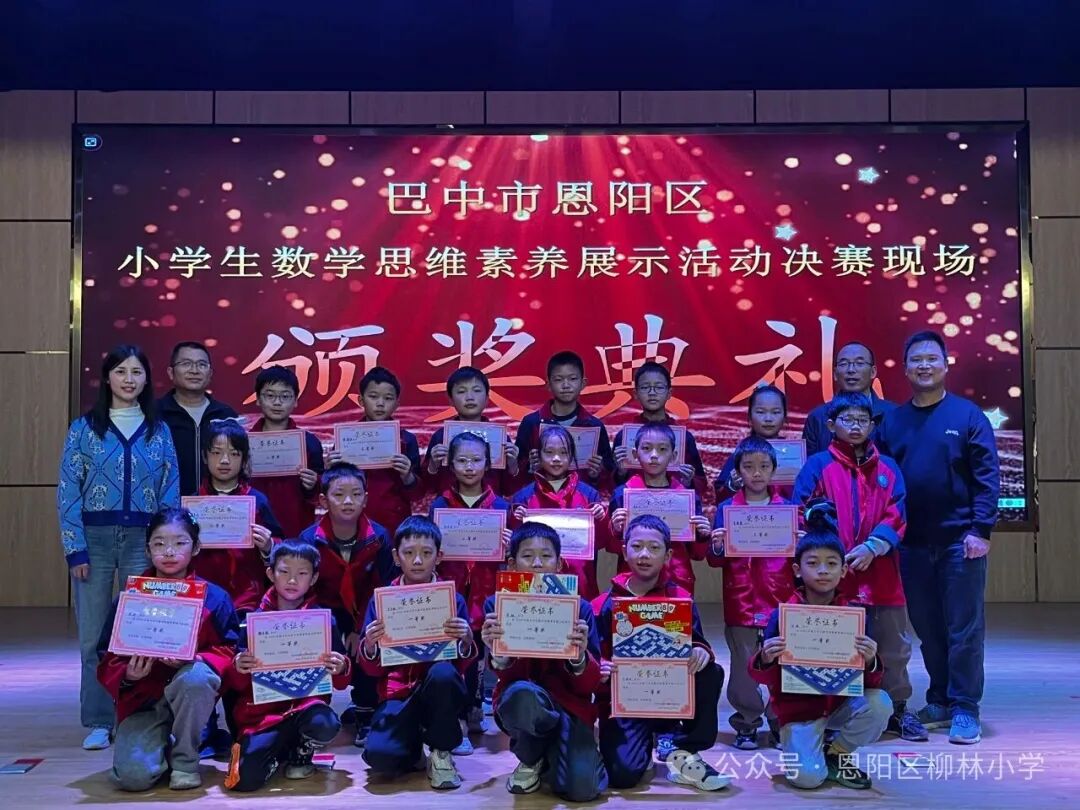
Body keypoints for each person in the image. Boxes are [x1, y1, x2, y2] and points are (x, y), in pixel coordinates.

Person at [876, 330, 1000, 744]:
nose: (924, 366)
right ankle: (940, 699)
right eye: (916, 360)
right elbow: (883, 482)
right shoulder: (892, 421)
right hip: (910, 544)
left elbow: (986, 477)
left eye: (932, 358)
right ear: (905, 368)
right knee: (928, 628)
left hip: (960, 542)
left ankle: (965, 707)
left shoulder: (968, 416)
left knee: (964, 628)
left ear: (945, 365)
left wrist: (980, 529)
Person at [58, 344, 180, 751]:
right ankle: (98, 719)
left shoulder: (158, 430)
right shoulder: (83, 429)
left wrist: (165, 546)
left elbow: (170, 491)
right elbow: (68, 492)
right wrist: (75, 549)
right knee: (93, 636)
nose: (129, 379)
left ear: (147, 379)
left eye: (137, 372)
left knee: (142, 632)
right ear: (107, 377)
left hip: (142, 541)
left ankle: (139, 714)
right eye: (121, 371)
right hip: (93, 542)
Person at [794, 391, 925, 742]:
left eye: (862, 420)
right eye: (847, 420)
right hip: (834, 578)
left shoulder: (888, 468)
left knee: (893, 647)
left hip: (882, 573)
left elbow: (897, 513)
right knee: (834, 646)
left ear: (872, 425)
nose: (855, 426)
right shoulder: (817, 465)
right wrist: (832, 549)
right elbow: (800, 510)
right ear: (831, 425)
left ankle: (897, 710)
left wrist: (872, 547)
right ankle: (835, 714)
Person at [749, 501, 893, 791]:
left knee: (880, 704)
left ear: (844, 570)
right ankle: (802, 745)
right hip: (799, 711)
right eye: (813, 563)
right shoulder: (783, 616)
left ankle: (836, 752)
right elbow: (762, 677)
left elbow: (870, 682)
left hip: (841, 704)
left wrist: (871, 661)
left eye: (832, 564)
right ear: (797, 569)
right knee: (807, 778)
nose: (823, 571)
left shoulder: (855, 616)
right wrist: (765, 658)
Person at [97, 508, 240, 791]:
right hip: (144, 702)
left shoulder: (215, 597)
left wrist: (196, 659)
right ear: (147, 550)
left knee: (197, 677)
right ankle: (161, 746)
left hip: (190, 697)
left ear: (196, 547)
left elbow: (230, 650)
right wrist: (128, 675)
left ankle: (185, 759)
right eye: (159, 543)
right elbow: (105, 655)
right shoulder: (129, 598)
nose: (169, 552)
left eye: (180, 542)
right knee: (133, 779)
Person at [594, 515, 728, 792]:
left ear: (667, 556)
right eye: (637, 546)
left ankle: (684, 747)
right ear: (624, 551)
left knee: (710, 671)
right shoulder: (604, 604)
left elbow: (697, 641)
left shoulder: (680, 599)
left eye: (654, 548)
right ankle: (642, 744)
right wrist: (601, 666)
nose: (644, 555)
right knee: (622, 776)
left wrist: (700, 651)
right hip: (625, 702)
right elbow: (593, 657)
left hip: (669, 699)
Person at [481, 522, 608, 802]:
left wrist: (579, 657)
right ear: (512, 563)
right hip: (523, 702)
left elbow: (590, 683)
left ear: (559, 563)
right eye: (527, 556)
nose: (537, 564)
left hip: (570, 706)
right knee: (523, 696)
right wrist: (498, 654)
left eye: (546, 556)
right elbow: (505, 677)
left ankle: (555, 752)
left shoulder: (581, 609)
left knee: (583, 790)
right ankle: (531, 757)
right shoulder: (497, 605)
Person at [360, 516, 476, 790]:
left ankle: (441, 751)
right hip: (398, 691)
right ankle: (413, 746)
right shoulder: (382, 600)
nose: (417, 560)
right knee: (381, 757)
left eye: (426, 553)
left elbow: (462, 663)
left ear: (439, 557)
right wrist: (370, 645)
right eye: (409, 553)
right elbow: (371, 669)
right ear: (396, 557)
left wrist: (467, 639)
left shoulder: (453, 599)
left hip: (439, 689)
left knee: (444, 673)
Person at [225, 541, 350, 791]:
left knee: (325, 723)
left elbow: (341, 682)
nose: (292, 580)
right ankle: (278, 753)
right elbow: (235, 684)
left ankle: (302, 750)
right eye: (284, 572)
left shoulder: (324, 622)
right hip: (263, 716)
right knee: (245, 782)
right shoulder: (252, 623)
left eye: (302, 573)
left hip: (306, 708)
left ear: (314, 578)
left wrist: (341, 666)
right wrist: (238, 666)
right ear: (270, 573)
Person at [297, 463, 397, 748]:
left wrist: (359, 629)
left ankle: (366, 712)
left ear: (366, 499)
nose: (348, 501)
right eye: (339, 494)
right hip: (324, 614)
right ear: (323, 500)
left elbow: (385, 589)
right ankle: (312, 714)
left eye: (356, 494)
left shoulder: (379, 537)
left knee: (372, 639)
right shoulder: (309, 539)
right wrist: (335, 631)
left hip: (366, 612)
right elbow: (305, 592)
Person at [707, 436, 795, 749]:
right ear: (738, 472)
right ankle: (746, 722)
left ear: (774, 470)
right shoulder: (726, 509)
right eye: (748, 467)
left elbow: (798, 560)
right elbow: (714, 559)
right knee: (744, 668)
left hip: (779, 599)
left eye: (763, 466)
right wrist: (717, 546)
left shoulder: (788, 510)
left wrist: (799, 545)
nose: (756, 473)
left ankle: (780, 721)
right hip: (740, 600)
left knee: (781, 664)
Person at [429, 431, 512, 746]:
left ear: (488, 464)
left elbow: (512, 558)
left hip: (485, 591)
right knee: (453, 655)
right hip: (451, 593)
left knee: (477, 655)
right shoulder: (440, 505)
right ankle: (456, 717)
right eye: (462, 460)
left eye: (476, 460)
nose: (469, 466)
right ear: (450, 464)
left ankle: (474, 707)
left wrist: (509, 546)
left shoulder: (501, 505)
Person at [191, 419, 284, 615]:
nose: (224, 460)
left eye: (234, 454)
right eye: (216, 453)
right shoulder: (193, 504)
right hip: (203, 597)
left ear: (244, 459)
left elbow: (280, 546)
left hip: (248, 598)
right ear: (205, 456)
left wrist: (268, 547)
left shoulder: (257, 501)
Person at [608, 423, 711, 594]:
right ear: (635, 454)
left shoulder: (687, 497)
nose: (654, 455)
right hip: (634, 582)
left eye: (662, 449)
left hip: (678, 581)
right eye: (646, 448)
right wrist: (616, 530)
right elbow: (613, 548)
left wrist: (703, 535)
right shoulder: (622, 494)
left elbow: (698, 555)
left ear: (674, 456)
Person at [510, 424, 609, 600]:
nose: (556, 458)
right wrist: (516, 521)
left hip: (580, 584)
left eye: (563, 453)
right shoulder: (523, 497)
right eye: (549, 452)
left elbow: (602, 544)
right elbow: (514, 547)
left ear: (571, 457)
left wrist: (602, 519)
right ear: (538, 456)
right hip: (533, 586)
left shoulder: (589, 495)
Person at [325, 366, 421, 537]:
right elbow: (331, 487)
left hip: (394, 522)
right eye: (373, 396)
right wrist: (330, 469)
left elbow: (418, 494)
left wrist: (408, 477)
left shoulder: (407, 440)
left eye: (388, 398)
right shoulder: (346, 438)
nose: (380, 403)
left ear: (397, 404)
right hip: (352, 521)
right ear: (361, 401)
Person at [514, 351, 614, 491]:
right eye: (558, 379)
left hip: (581, 498)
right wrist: (530, 467)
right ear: (548, 385)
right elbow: (514, 474)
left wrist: (597, 474)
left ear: (583, 383)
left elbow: (609, 477)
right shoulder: (531, 423)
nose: (566, 385)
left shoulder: (594, 426)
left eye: (572, 379)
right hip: (540, 498)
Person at [612, 361, 708, 500]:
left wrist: (688, 481)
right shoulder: (623, 437)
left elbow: (701, 483)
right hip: (634, 504)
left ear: (669, 393)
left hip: (672, 505)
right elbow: (611, 486)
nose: (652, 393)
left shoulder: (684, 438)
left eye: (659, 387)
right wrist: (620, 473)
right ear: (636, 393)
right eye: (645, 387)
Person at [248, 365, 325, 538]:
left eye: (285, 396)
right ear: (258, 399)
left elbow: (322, 491)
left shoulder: (309, 443)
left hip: (296, 531)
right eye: (270, 396)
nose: (277, 402)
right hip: (254, 530)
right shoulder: (244, 443)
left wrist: (313, 484)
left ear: (295, 401)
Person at [422, 366, 521, 496]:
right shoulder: (441, 437)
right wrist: (433, 466)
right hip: (448, 506)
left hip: (490, 506)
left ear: (487, 398)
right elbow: (427, 488)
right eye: (461, 391)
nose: (469, 397)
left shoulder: (500, 438)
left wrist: (513, 466)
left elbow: (509, 490)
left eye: (477, 390)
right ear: (451, 400)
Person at [157, 341, 238, 496]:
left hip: (218, 506)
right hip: (168, 506)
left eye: (201, 365)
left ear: (210, 373)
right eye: (186, 364)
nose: (194, 370)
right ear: (171, 372)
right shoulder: (155, 415)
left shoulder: (226, 415)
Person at [803, 342, 896, 456]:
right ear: (835, 374)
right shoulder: (817, 418)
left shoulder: (894, 414)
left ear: (873, 372)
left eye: (859, 363)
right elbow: (810, 463)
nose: (851, 370)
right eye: (844, 364)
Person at [714, 384, 789, 503]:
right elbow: (720, 498)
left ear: (785, 418)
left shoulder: (795, 455)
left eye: (775, 412)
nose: (768, 419)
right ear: (749, 417)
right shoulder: (742, 454)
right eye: (760, 412)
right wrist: (732, 486)